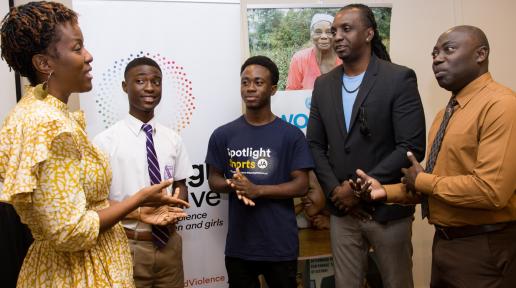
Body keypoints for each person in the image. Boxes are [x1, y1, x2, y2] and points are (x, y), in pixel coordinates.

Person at [0, 2, 188, 287]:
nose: (88, 56)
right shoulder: (47, 125)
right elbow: (70, 231)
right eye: (77, 49)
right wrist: (137, 199)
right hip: (77, 275)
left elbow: (83, 204)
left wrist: (136, 210)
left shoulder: (51, 114)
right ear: (44, 63)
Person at [356, 25, 516, 287]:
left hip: (485, 248)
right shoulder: (446, 113)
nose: (437, 58)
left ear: (481, 54)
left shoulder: (501, 105)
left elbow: (491, 190)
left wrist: (422, 181)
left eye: (448, 50)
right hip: (445, 244)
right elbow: (437, 185)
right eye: (434, 54)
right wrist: (383, 191)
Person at [306, 4, 426, 288]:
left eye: (346, 29)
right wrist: (336, 191)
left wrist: (357, 190)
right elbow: (314, 144)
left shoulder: (398, 78)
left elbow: (410, 146)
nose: (337, 36)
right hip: (342, 212)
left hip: (387, 211)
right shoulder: (323, 85)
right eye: (335, 31)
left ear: (369, 33)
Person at [206, 55, 314, 288]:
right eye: (245, 82)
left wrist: (258, 190)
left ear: (273, 89)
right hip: (240, 246)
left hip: (280, 245)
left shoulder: (291, 135)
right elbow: (213, 179)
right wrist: (232, 184)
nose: (250, 88)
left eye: (258, 82)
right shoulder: (223, 135)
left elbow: (302, 185)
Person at [94, 57, 192, 288]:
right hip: (127, 247)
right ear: (125, 86)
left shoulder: (173, 139)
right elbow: (94, 203)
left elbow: (181, 184)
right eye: (140, 81)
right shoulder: (104, 142)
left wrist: (175, 206)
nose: (149, 87)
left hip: (169, 245)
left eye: (156, 82)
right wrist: (138, 212)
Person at [286, 13, 342, 90]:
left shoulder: (345, 59)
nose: (324, 36)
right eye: (318, 32)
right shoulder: (299, 59)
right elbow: (291, 93)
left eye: (329, 32)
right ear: (311, 34)